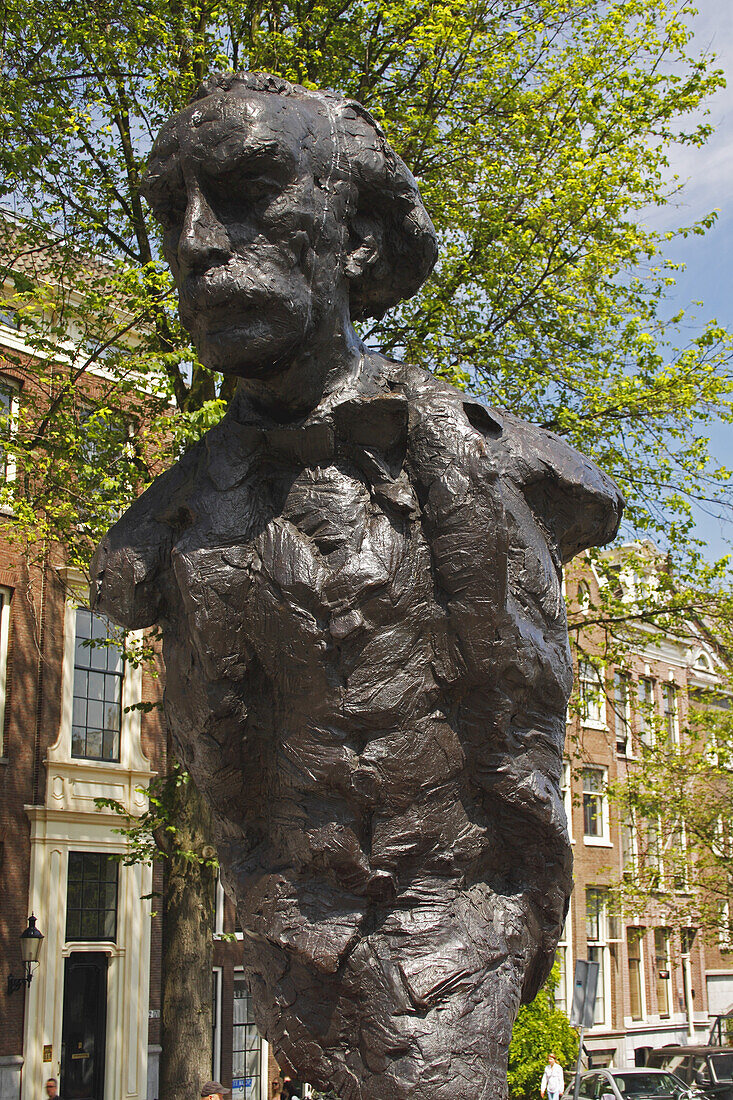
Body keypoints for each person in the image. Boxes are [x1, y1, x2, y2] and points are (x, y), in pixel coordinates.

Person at [92, 71, 622, 1100]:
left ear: (362, 240)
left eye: (247, 190)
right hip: (291, 946)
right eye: (173, 213)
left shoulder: (512, 465)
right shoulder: (162, 527)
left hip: (459, 939)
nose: (198, 241)